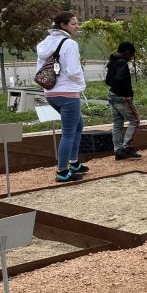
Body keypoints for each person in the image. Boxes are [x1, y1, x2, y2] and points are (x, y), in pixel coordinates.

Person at [36, 11, 88, 183]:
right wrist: (81, 82)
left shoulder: (45, 43)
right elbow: (73, 71)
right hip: (68, 94)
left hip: (51, 93)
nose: (77, 26)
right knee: (68, 132)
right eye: (73, 23)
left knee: (78, 124)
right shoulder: (70, 44)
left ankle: (73, 162)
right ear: (63, 25)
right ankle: (62, 170)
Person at [105, 41, 141, 160]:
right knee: (135, 120)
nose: (130, 58)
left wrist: (115, 87)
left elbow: (107, 81)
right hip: (122, 96)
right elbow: (119, 79)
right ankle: (127, 147)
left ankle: (118, 149)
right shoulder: (122, 63)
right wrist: (125, 91)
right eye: (131, 55)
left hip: (112, 95)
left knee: (117, 123)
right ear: (126, 52)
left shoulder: (113, 61)